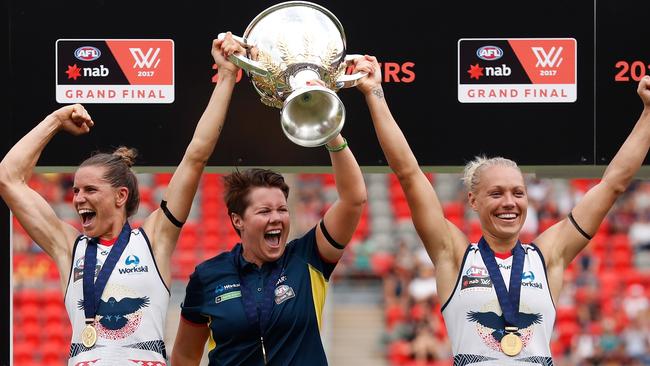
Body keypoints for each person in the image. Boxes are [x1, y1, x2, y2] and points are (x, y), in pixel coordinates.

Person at [360, 51, 650, 364]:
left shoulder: (548, 256)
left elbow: (613, 184)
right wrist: (375, 93)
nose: (509, 202)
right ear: (473, 200)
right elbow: (408, 173)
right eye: (496, 193)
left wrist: (649, 112)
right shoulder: (454, 255)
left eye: (518, 192)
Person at [0, 34, 244, 365]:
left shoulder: (155, 238)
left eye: (89, 190)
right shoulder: (68, 247)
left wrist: (227, 76)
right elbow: (7, 178)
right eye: (74, 191)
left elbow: (196, 155)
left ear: (121, 195)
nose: (78, 199)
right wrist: (56, 120)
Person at [170, 78, 368, 366]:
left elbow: (353, 199)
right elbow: (185, 355)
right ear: (238, 220)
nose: (276, 217)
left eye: (282, 210)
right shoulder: (208, 275)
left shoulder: (309, 257)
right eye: (264, 212)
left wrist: (329, 131)